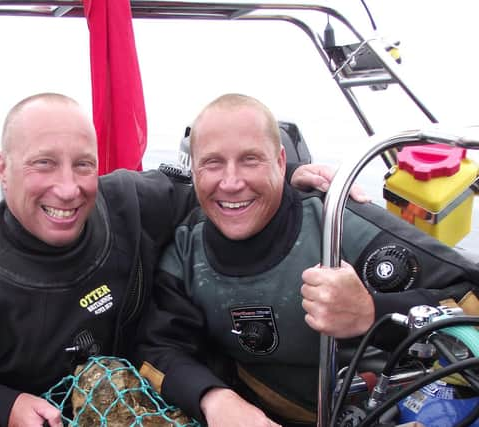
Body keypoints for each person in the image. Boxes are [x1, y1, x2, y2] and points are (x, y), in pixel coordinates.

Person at [0, 93, 342, 427]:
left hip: (160, 389)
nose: (69, 189)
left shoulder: (128, 204)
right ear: (2, 168)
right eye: (43, 163)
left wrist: (293, 176)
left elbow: (217, 190)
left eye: (84, 164)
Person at [136, 93, 479, 427]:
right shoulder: (186, 252)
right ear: (193, 171)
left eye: (250, 159)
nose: (231, 182)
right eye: (213, 163)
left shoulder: (341, 225)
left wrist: (372, 313)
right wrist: (213, 398)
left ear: (282, 162)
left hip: (384, 406)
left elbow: (469, 297)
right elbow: (160, 349)